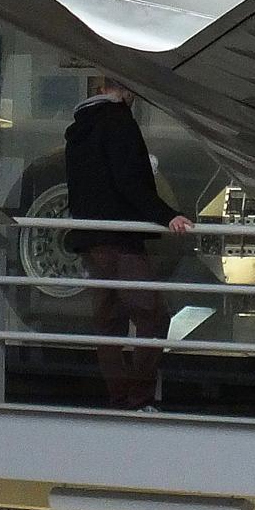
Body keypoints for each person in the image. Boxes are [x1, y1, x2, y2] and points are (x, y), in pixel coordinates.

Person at [64, 80, 193, 410]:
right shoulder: (119, 121)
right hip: (121, 241)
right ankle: (138, 395)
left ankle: (120, 395)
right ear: (123, 88)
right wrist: (167, 216)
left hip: (92, 239)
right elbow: (129, 181)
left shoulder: (79, 129)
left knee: (109, 321)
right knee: (153, 315)